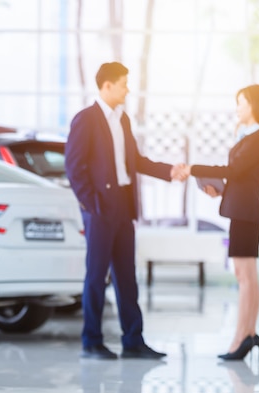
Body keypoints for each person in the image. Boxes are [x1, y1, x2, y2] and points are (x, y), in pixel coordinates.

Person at [65, 61, 187, 360]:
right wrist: (91, 204)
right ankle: (91, 341)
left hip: (123, 205)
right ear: (107, 85)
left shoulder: (123, 120)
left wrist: (169, 171)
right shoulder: (86, 119)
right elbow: (74, 167)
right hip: (99, 208)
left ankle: (133, 340)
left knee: (126, 275)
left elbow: (136, 161)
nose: (127, 89)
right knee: (96, 276)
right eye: (123, 84)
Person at [184, 84, 259, 360]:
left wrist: (192, 169)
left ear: (253, 106)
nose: (237, 108)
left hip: (246, 213)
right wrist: (222, 189)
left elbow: (233, 170)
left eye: (241, 102)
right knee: (245, 276)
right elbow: (241, 179)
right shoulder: (249, 137)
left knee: (246, 276)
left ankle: (242, 337)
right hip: (242, 209)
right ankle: (248, 334)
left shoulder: (258, 138)